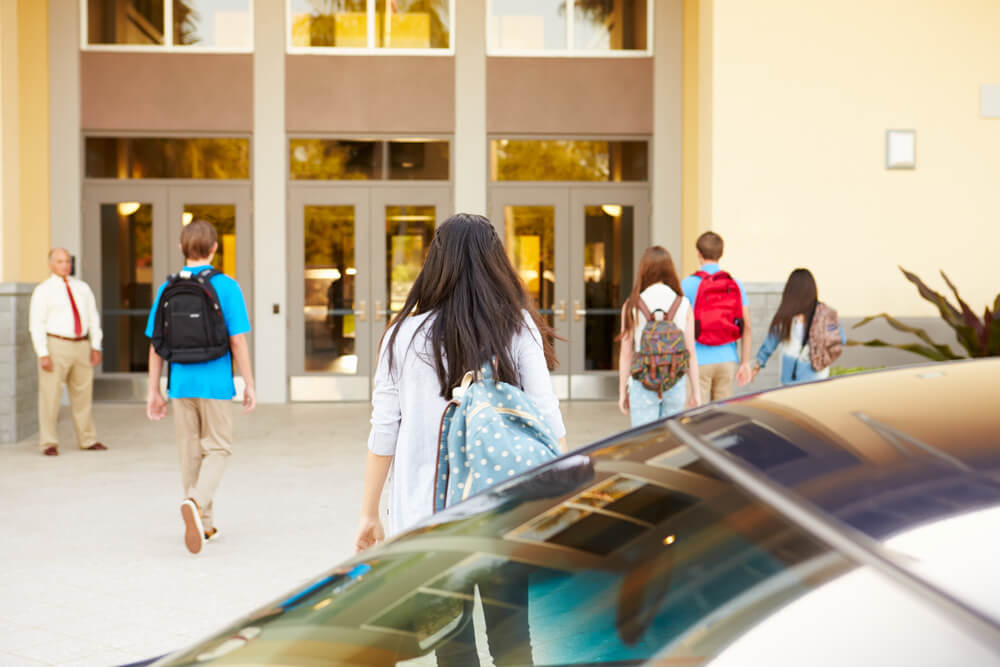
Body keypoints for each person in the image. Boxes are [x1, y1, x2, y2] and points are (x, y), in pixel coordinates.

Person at [355, 213, 567, 666]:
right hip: (503, 509)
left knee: (452, 648)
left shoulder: (402, 335)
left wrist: (369, 513)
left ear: (438, 262)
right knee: (514, 643)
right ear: (496, 263)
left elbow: (384, 430)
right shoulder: (518, 327)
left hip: (428, 518)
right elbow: (548, 419)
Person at [144, 220, 256, 555]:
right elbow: (237, 342)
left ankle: (204, 524)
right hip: (215, 383)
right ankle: (195, 502)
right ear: (214, 248)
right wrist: (248, 383)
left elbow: (155, 345)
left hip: (180, 382)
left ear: (181, 248)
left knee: (190, 453)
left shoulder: (167, 288)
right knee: (218, 449)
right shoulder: (226, 285)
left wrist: (154, 390)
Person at [28, 248, 106, 456]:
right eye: (60, 261)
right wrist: (42, 353)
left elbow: (93, 317)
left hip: (81, 345)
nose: (65, 265)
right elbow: (36, 324)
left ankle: (87, 439)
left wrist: (95, 345)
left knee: (83, 394)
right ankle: (49, 442)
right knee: (50, 396)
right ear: (51, 264)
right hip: (56, 345)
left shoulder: (82, 288)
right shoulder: (43, 290)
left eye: (67, 261)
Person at [618, 246, 702, 426]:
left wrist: (622, 391)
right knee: (673, 441)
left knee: (643, 441)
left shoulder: (632, 304)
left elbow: (626, 354)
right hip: (675, 380)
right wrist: (696, 391)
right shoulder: (683, 303)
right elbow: (690, 352)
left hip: (643, 382)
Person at [681, 232, 753, 402]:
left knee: (696, 419)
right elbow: (747, 326)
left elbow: (680, 325)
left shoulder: (687, 284)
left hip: (698, 360)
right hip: (727, 359)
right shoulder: (735, 284)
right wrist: (745, 362)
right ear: (721, 253)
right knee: (721, 418)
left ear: (698, 253)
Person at [752, 268, 846, 385]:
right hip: (815, 379)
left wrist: (757, 366)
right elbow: (841, 339)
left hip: (794, 381)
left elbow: (770, 343)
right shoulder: (823, 314)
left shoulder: (789, 317)